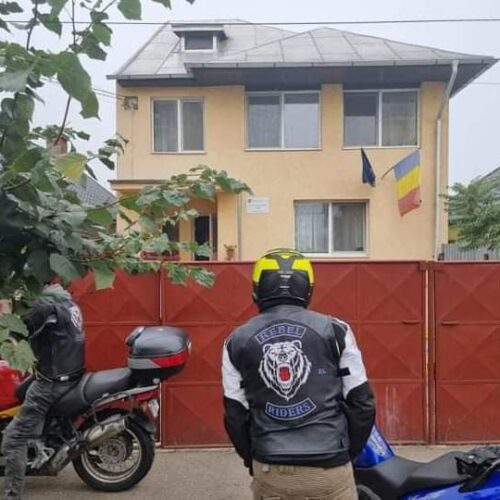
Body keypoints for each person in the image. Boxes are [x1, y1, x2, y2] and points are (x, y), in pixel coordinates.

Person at [222, 249, 375, 500]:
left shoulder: (236, 340)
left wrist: (253, 458)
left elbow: (235, 414)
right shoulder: (336, 331)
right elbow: (363, 403)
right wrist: (346, 454)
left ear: (257, 289)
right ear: (308, 288)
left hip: (271, 467)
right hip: (331, 467)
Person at [2, 284, 85, 500]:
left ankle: (12, 496)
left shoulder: (43, 305)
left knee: (13, 438)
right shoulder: (65, 300)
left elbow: (19, 332)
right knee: (20, 392)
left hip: (51, 382)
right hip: (68, 373)